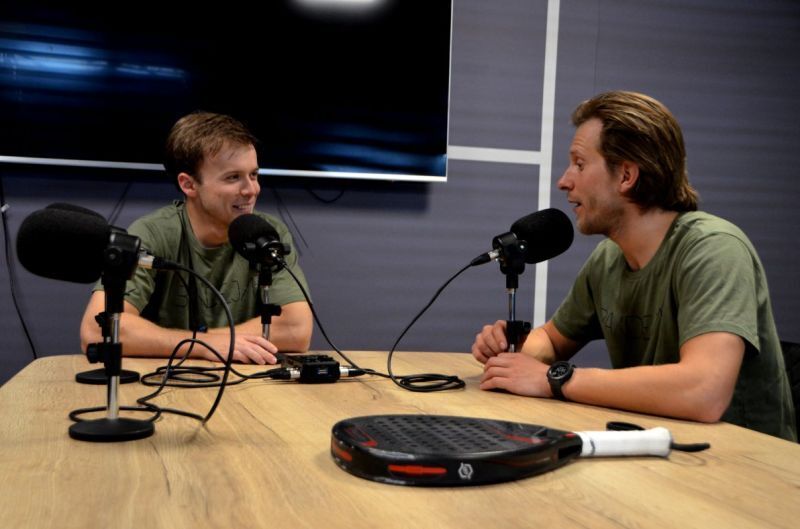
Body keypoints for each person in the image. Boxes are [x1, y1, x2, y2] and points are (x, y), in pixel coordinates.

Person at [471, 91, 796, 441]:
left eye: (579, 164)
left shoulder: (714, 249)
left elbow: (705, 391)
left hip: (743, 462)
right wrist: (514, 356)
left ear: (626, 176)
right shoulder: (608, 259)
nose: (564, 181)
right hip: (662, 451)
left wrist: (555, 379)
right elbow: (551, 338)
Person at [80, 111, 313, 365]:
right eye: (233, 177)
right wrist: (202, 345)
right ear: (188, 185)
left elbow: (297, 329)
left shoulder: (266, 233)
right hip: (167, 380)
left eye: (254, 175)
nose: (251, 190)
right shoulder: (153, 233)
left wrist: (206, 340)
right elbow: (96, 331)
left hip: (247, 380)